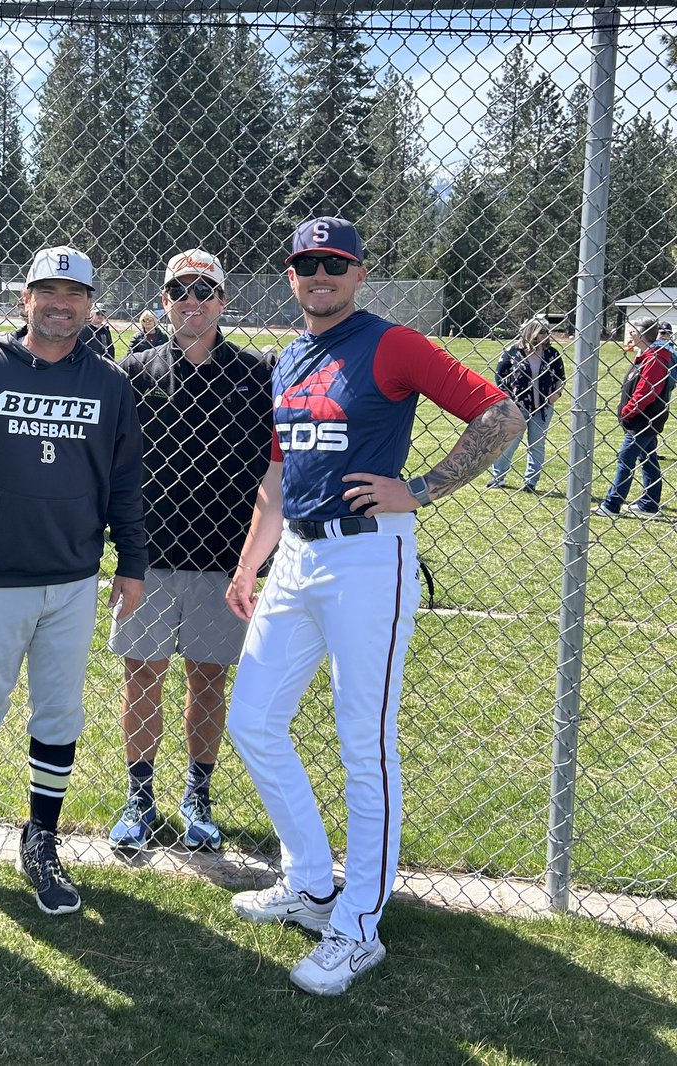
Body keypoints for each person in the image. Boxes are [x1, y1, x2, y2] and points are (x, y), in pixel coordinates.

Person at [225, 216, 523, 995]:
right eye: (305, 264)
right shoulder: (289, 355)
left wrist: (418, 489)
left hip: (368, 553)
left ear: (359, 272)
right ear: (290, 275)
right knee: (253, 718)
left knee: (364, 738)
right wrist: (252, 561)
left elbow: (501, 415)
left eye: (333, 263)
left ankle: (359, 926)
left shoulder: (390, 343)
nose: (318, 275)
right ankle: (313, 884)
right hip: (294, 553)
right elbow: (280, 472)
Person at [0, 245, 146, 915]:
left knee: (58, 712)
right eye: (46, 290)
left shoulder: (108, 383)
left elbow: (125, 482)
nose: (59, 303)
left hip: (72, 579)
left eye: (73, 294)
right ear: (25, 299)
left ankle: (40, 839)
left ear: (90, 306)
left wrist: (131, 561)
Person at [107, 249, 271, 852]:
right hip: (150, 556)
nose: (192, 302)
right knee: (141, 676)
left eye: (205, 291)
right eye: (180, 291)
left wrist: (254, 560)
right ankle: (140, 795)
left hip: (223, 561)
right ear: (165, 300)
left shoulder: (256, 374)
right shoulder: (137, 371)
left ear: (223, 301)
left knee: (207, 681)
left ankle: (197, 792)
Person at [595, 316, 672, 518]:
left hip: (643, 420)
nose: (629, 334)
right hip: (641, 418)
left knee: (625, 459)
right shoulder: (647, 355)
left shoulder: (655, 358)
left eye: (632, 331)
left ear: (642, 334)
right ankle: (649, 503)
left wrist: (627, 411)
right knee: (648, 459)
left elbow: (646, 392)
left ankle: (612, 504)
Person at [485, 319, 566, 493]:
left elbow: (560, 377)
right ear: (531, 332)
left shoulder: (552, 353)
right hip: (518, 406)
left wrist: (556, 394)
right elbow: (499, 376)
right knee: (510, 442)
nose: (546, 335)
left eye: (547, 331)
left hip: (542, 407)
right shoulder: (513, 352)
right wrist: (507, 399)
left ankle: (531, 481)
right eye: (542, 332)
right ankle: (498, 477)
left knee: (536, 444)